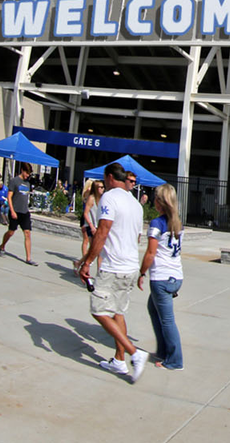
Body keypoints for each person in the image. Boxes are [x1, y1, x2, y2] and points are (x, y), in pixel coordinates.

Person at [77, 162, 149, 383]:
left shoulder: (109, 197)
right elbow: (138, 237)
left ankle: (134, 353)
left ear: (109, 177)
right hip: (130, 266)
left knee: (98, 310)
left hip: (114, 267)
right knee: (118, 312)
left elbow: (102, 232)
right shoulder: (136, 204)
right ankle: (119, 361)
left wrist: (87, 262)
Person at [139, 184, 184, 370]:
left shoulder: (157, 223)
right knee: (152, 307)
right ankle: (163, 351)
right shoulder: (177, 222)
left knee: (167, 320)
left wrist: (141, 273)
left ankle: (174, 360)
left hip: (162, 278)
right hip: (176, 276)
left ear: (159, 202)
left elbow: (150, 253)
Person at [0, 162, 38, 265]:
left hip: (24, 212)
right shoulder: (14, 181)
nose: (27, 175)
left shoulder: (28, 183)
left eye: (29, 174)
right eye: (26, 173)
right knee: (11, 232)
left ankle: (28, 258)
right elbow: (9, 197)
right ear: (22, 171)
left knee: (27, 233)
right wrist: (12, 211)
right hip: (15, 211)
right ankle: (2, 245)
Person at [80, 179, 104, 268]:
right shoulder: (91, 198)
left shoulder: (102, 199)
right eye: (100, 187)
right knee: (95, 250)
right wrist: (91, 226)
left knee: (96, 250)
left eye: (103, 187)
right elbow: (85, 213)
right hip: (91, 226)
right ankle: (84, 265)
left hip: (98, 227)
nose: (102, 189)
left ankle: (79, 263)